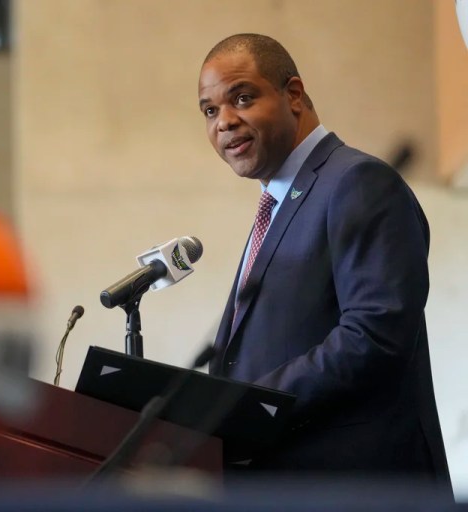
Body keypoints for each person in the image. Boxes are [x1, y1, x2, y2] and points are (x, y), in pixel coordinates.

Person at [198, 33, 450, 485]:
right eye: (210, 110)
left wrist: (249, 406)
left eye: (242, 98)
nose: (225, 122)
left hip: (356, 486)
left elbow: (373, 338)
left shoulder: (357, 182)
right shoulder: (280, 203)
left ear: (293, 94)